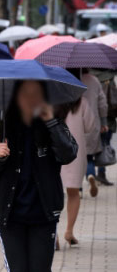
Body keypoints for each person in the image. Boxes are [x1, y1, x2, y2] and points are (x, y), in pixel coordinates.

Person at [0, 80, 78, 272]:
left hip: (43, 214)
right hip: (10, 215)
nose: (30, 100)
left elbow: (69, 154)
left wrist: (50, 121)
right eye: (25, 94)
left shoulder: (53, 125)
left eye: (36, 95)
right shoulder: (1, 129)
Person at [56, 97, 96, 246]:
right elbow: (90, 126)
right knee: (73, 193)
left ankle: (54, 234)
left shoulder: (50, 98)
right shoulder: (81, 101)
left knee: (53, 193)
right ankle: (69, 231)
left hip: (53, 152)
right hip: (75, 152)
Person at [81, 71, 108, 197]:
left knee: (76, 157)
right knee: (89, 156)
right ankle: (91, 174)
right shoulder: (94, 80)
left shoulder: (70, 79)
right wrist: (104, 122)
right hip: (93, 122)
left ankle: (78, 189)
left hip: (75, 123)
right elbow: (102, 103)